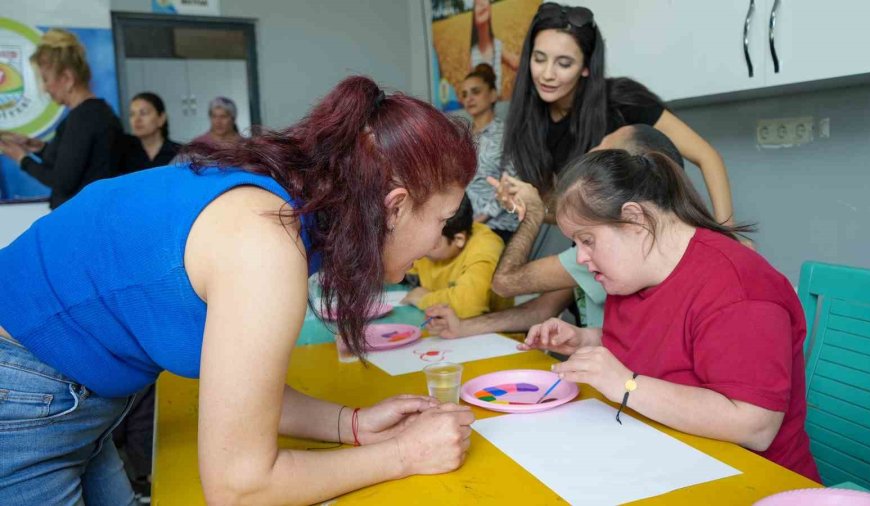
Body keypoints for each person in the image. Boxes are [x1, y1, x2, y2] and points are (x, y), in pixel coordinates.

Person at [0, 76, 477, 505]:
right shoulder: (266, 242)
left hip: (68, 396)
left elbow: (244, 393)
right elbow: (239, 488)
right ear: (395, 207)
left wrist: (352, 425)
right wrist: (405, 454)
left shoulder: (279, 200)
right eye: (442, 220)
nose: (439, 240)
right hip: (24, 396)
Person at [521, 149, 820, 482]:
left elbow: (755, 426)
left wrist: (626, 385)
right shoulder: (632, 275)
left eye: (587, 240)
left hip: (755, 482)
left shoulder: (739, 289)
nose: (580, 257)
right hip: (661, 459)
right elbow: (659, 343)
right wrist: (585, 340)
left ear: (635, 219)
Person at [426, 124, 683, 338]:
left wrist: (534, 213)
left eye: (601, 152)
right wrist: (463, 327)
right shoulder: (598, 253)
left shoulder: (613, 251)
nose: (590, 152)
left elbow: (505, 282)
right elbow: (543, 308)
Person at [503, 3, 736, 226]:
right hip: (597, 243)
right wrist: (530, 207)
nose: (547, 74)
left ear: (586, 67)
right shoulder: (533, 124)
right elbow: (573, 216)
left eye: (563, 63)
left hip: (654, 233)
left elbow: (707, 157)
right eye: (539, 59)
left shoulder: (622, 100)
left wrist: (728, 232)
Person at [0, 29, 122, 209]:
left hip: (83, 217)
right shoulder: (94, 113)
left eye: (46, 79)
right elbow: (73, 161)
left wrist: (21, 158)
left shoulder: (83, 119)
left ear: (67, 78)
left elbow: (62, 181)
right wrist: (37, 147)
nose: (45, 88)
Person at [402, 195, 511, 319]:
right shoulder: (431, 240)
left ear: (459, 239)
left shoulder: (486, 247)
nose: (419, 248)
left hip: (485, 328)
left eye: (428, 242)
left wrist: (426, 299)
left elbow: (470, 305)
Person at [460, 64, 518, 242]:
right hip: (464, 226)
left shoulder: (507, 135)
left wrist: (478, 221)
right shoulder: (462, 138)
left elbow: (511, 185)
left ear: (493, 95)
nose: (469, 98)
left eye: (476, 92)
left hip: (498, 226)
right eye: (464, 94)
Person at [121, 92, 182, 173]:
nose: (137, 119)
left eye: (143, 113)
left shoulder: (179, 153)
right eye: (132, 114)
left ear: (161, 118)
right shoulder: (124, 156)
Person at [469, 0, 519, 95]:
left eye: (484, 2)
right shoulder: (473, 53)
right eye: (477, 4)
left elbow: (517, 63)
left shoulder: (498, 46)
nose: (482, 4)